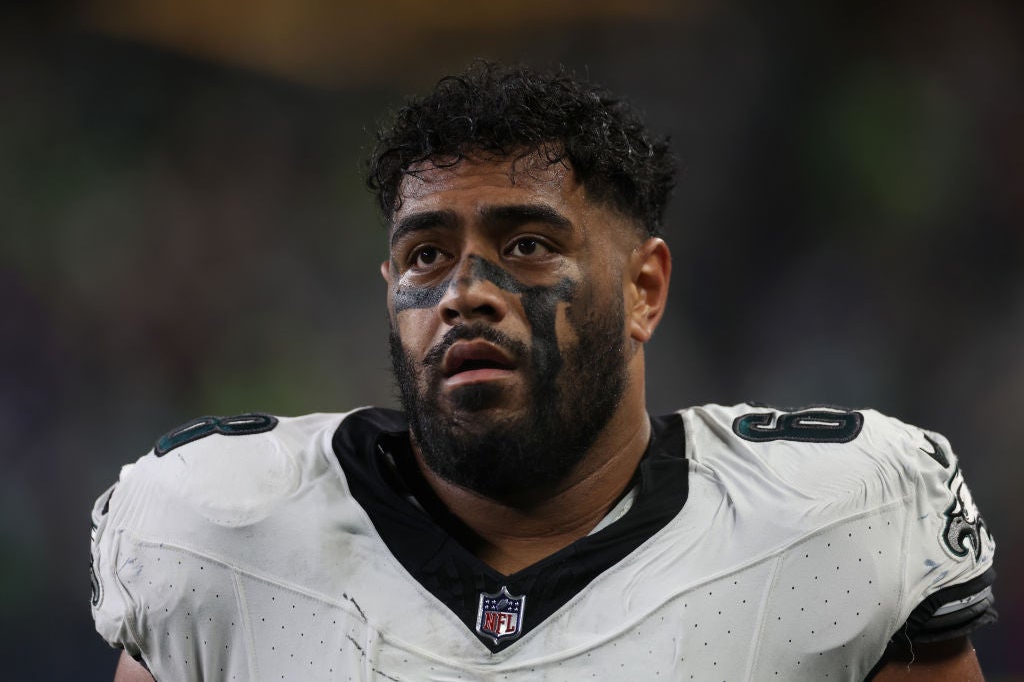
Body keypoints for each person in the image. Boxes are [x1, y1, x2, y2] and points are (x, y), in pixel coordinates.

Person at [92, 61, 996, 681]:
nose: (463, 292)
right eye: (424, 256)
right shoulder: (217, 533)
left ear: (644, 288)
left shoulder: (837, 524)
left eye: (525, 245)